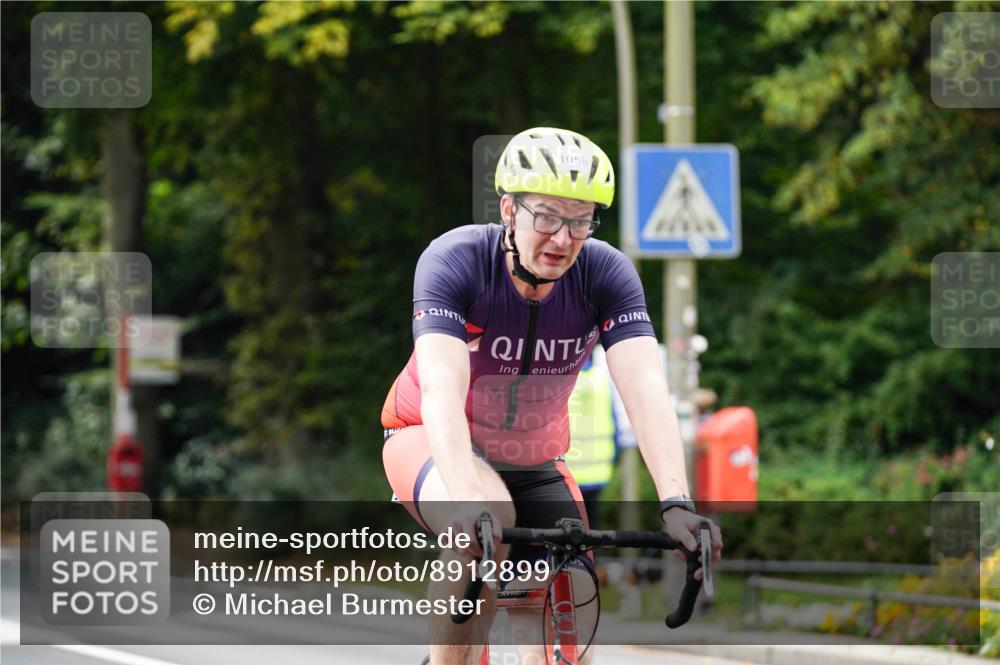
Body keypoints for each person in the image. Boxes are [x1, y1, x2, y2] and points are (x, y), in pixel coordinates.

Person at [381, 127, 722, 665]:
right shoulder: (456, 260)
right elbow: (442, 393)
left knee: (572, 597)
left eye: (580, 220)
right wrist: (468, 503)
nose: (563, 238)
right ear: (509, 209)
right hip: (429, 441)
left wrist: (677, 504)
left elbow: (645, 390)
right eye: (547, 217)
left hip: (536, 459)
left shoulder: (605, 272)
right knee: (484, 528)